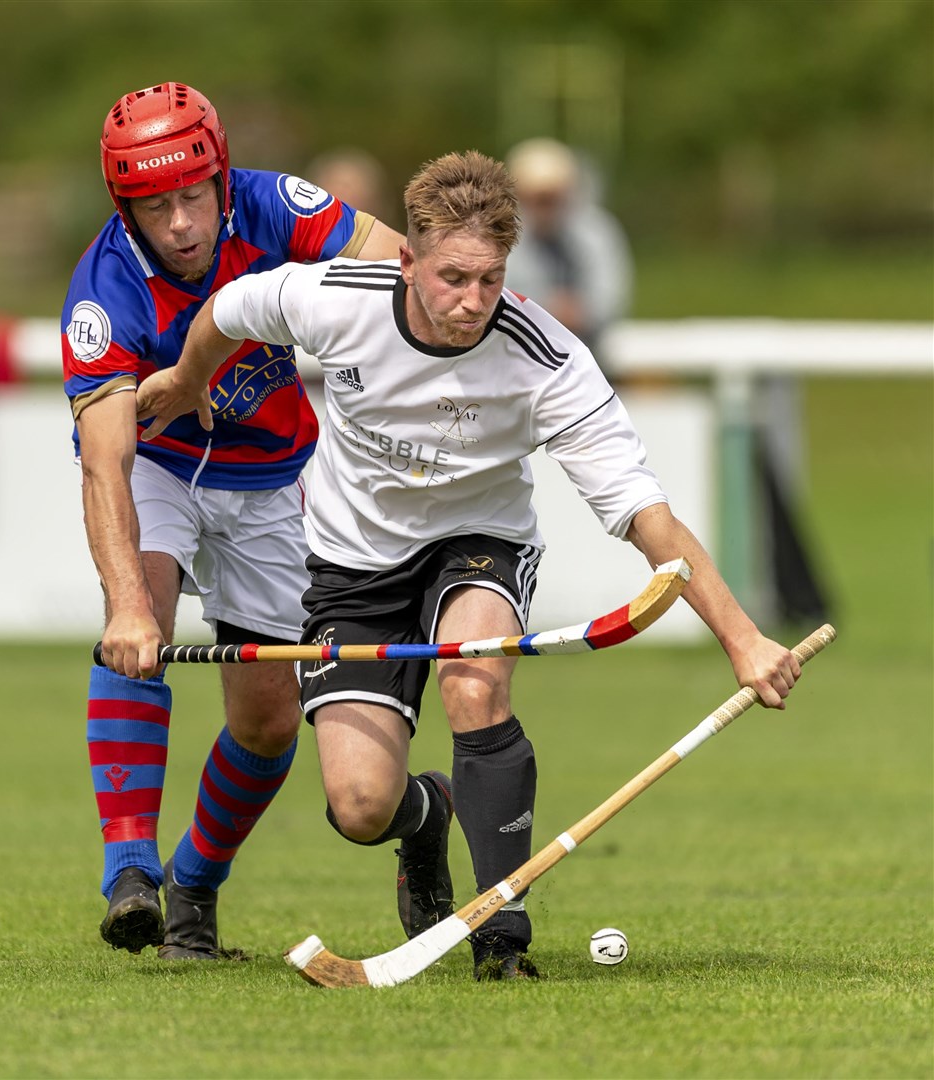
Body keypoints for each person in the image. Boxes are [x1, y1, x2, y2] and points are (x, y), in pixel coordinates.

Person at [134, 150, 801, 980]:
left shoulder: (543, 357)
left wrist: (743, 641)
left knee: (475, 681)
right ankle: (427, 818)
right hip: (353, 562)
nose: (472, 302)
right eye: (452, 277)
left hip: (478, 541)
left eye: (490, 280)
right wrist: (189, 379)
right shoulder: (332, 297)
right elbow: (228, 312)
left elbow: (647, 517)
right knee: (359, 805)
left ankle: (501, 934)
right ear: (406, 260)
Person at [60, 82, 403, 961]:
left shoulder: (274, 204)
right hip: (163, 465)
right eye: (153, 205)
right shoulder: (101, 296)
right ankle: (129, 872)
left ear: (220, 177)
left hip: (271, 476)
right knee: (142, 614)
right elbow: (106, 464)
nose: (179, 223)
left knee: (268, 721)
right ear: (123, 205)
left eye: (192, 197)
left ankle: (193, 892)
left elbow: (396, 262)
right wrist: (127, 603)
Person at [504, 137, 632, 365]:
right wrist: (550, 308)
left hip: (589, 362)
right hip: (517, 362)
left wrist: (582, 312)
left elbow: (612, 296)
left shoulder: (596, 231)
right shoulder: (501, 234)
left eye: (552, 197)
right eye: (537, 198)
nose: (545, 207)